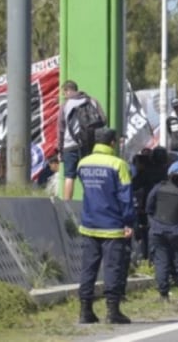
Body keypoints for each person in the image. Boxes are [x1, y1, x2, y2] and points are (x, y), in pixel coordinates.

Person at [76, 127, 134, 325]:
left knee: (88, 268)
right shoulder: (119, 165)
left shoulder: (82, 164)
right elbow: (125, 197)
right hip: (112, 226)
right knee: (113, 268)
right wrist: (128, 222)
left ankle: (85, 311)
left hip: (89, 224)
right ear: (112, 143)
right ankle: (113, 311)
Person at [146, 158, 178, 303]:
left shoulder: (158, 188)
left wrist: (154, 224)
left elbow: (148, 208)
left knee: (161, 262)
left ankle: (163, 295)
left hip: (158, 231)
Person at [59, 80, 104, 201]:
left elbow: (61, 129)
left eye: (64, 93)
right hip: (88, 145)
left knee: (69, 176)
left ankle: (67, 205)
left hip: (70, 144)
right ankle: (90, 202)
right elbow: (103, 120)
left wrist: (60, 150)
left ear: (67, 90)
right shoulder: (92, 101)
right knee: (88, 175)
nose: (64, 96)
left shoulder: (65, 105)